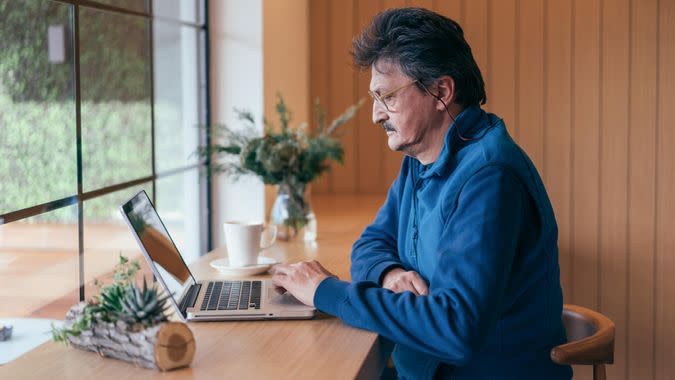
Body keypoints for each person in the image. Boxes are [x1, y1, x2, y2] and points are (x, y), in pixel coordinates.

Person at [271, 7, 572, 379]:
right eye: (374, 99)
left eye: (387, 97)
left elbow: (455, 329)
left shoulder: (490, 177)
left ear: (441, 92)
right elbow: (371, 243)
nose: (376, 115)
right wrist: (388, 273)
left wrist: (325, 291)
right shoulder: (422, 157)